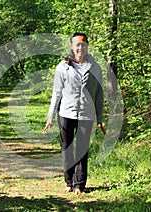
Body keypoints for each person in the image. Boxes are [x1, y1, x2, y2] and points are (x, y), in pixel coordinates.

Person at [42, 32, 105, 196]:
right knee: (67, 149)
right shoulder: (63, 66)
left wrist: (100, 117)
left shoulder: (95, 67)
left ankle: (79, 185)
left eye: (83, 45)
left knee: (82, 150)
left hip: (86, 114)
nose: (80, 47)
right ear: (71, 46)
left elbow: (99, 94)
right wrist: (50, 115)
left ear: (87, 47)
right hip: (66, 113)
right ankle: (69, 182)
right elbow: (57, 92)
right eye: (77, 44)